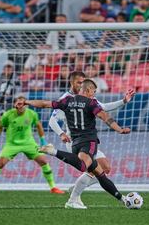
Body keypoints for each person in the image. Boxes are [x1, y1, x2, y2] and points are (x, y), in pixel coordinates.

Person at [26, 79, 132, 208]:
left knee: (101, 174)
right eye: (93, 91)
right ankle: (53, 151)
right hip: (89, 142)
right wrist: (120, 129)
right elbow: (105, 117)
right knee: (83, 166)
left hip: (75, 143)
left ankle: (122, 199)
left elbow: (44, 104)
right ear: (87, 90)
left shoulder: (67, 101)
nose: (94, 94)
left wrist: (27, 102)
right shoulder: (91, 103)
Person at [0, 96, 65, 194]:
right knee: (0, 164)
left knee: (43, 161)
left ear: (26, 104)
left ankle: (53, 187)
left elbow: (38, 125)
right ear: (15, 104)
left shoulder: (32, 114)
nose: (21, 106)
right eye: (19, 103)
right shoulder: (8, 115)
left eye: (23, 103)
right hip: (12, 144)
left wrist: (42, 140)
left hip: (28, 143)